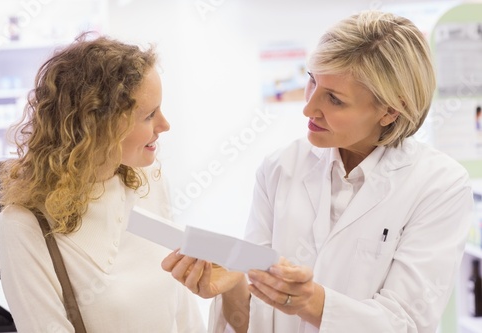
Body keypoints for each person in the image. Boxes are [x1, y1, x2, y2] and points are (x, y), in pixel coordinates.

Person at [162, 10, 474, 333]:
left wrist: (310, 302)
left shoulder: (440, 186)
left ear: (390, 110)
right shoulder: (280, 167)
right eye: (312, 80)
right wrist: (230, 287)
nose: (308, 108)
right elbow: (251, 322)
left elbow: (405, 323)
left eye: (334, 100)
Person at [0, 34, 205, 332]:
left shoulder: (148, 184)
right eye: (148, 115)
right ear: (98, 125)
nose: (165, 125)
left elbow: (183, 313)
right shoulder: (24, 225)